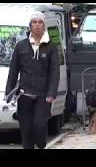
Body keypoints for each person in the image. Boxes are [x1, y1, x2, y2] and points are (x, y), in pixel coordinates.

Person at [5, 11, 60, 149]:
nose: (37, 25)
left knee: (38, 126)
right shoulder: (21, 46)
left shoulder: (51, 47)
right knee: (26, 130)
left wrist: (51, 93)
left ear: (44, 26)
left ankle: (41, 145)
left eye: (40, 22)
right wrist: (8, 93)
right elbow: (13, 71)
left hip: (43, 96)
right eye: (34, 22)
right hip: (24, 94)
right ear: (30, 26)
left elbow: (54, 72)